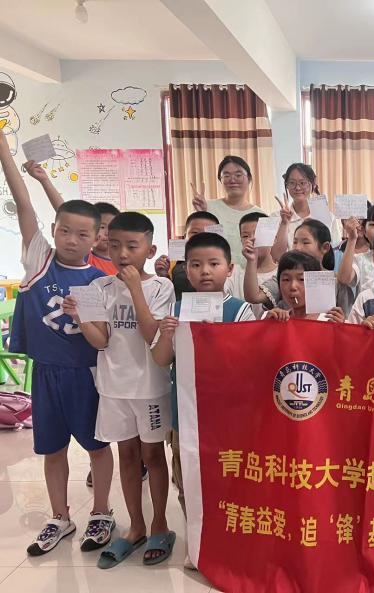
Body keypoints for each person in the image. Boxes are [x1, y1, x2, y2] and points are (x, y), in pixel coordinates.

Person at [1, 132, 115, 556]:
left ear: (95, 238)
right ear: (53, 231)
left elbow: (103, 340)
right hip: (46, 374)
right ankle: (59, 517)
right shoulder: (39, 259)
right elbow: (23, 202)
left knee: (98, 447)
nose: (71, 239)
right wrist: (4, 148)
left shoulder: (100, 281)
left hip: (86, 375)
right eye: (64, 231)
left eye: (81, 234)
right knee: (51, 449)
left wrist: (82, 318)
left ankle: (101, 511)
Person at [64, 212, 176, 568]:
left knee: (153, 457)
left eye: (132, 246)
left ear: (149, 250)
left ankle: (160, 525)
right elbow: (101, 341)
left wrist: (135, 290)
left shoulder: (162, 287)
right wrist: (81, 318)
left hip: (150, 388)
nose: (123, 253)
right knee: (127, 457)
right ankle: (136, 526)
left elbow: (152, 335)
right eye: (114, 245)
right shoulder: (99, 287)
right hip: (113, 389)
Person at [150, 232, 255, 568]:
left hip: (228, 420)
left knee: (229, 480)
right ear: (186, 270)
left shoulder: (240, 311)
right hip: (185, 416)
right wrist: (167, 333)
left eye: (213, 264)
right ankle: (197, 543)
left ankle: (231, 540)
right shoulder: (176, 310)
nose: (205, 271)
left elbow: (250, 365)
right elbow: (161, 360)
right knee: (188, 481)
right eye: (195, 264)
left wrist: (220, 338)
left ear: (230, 269)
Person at [22, 159, 120, 274]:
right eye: (102, 227)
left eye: (112, 228)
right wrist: (44, 181)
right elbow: (64, 211)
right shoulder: (86, 257)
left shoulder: (124, 264)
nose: (108, 233)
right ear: (94, 236)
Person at [191, 155, 264, 266]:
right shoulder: (207, 207)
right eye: (226, 176)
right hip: (216, 272)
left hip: (250, 272)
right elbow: (198, 242)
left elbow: (266, 253)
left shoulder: (260, 214)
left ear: (249, 178)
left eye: (238, 175)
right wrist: (201, 214)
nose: (232, 180)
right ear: (220, 180)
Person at [269, 163, 342, 261]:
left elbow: (335, 254)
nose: (297, 188)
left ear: (313, 185)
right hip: (289, 270)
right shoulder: (276, 217)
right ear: (287, 185)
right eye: (292, 183)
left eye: (303, 183)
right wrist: (284, 224)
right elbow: (277, 256)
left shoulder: (328, 217)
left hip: (318, 270)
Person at [155, 211, 221, 300]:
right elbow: (169, 294)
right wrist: (163, 275)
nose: (201, 237)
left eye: (208, 234)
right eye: (195, 232)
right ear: (185, 236)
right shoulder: (172, 262)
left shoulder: (224, 262)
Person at [264, 251, 345, 322]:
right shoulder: (276, 319)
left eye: (301, 279)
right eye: (286, 279)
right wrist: (267, 326)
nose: (293, 286)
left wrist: (340, 329)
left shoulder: (329, 320)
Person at [225, 211, 278, 317]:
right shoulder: (233, 273)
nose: (252, 239)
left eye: (258, 234)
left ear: (273, 238)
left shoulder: (281, 274)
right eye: (245, 236)